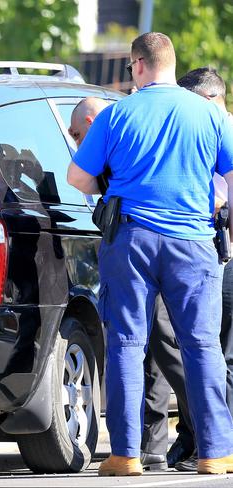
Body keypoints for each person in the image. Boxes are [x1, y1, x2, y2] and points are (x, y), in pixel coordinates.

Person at [67, 32, 233, 476]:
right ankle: (216, 453)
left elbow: (77, 178)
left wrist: (112, 180)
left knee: (126, 343)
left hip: (131, 240)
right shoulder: (209, 114)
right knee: (202, 346)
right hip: (194, 244)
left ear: (138, 65)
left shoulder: (118, 114)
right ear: (172, 65)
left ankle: (126, 455)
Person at [141, 66, 233, 472]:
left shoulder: (216, 128)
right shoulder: (202, 126)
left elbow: (216, 194)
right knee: (181, 345)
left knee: (213, 351)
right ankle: (195, 435)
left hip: (213, 253)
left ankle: (212, 437)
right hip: (196, 249)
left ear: (208, 100)